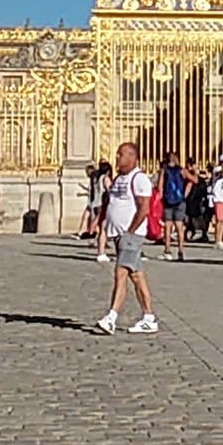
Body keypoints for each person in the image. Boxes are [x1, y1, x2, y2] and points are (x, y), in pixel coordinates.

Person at [95, 141, 158, 335]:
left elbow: (144, 208)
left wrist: (130, 231)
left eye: (120, 154)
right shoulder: (119, 178)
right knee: (136, 276)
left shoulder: (139, 179)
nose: (117, 158)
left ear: (132, 156)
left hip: (131, 235)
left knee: (120, 273)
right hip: (119, 234)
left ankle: (111, 317)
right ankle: (149, 318)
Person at [158, 153, 188, 261]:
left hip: (168, 201)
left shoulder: (164, 170)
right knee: (180, 227)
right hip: (180, 200)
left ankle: (167, 250)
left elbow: (160, 186)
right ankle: (180, 250)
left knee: (168, 227)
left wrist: (161, 197)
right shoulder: (181, 170)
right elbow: (194, 180)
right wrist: (185, 194)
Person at [90, 162, 114, 262]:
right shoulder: (106, 178)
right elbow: (110, 190)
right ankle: (101, 252)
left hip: (97, 202)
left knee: (101, 227)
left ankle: (99, 247)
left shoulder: (97, 178)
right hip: (103, 204)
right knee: (103, 228)